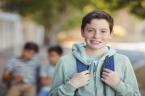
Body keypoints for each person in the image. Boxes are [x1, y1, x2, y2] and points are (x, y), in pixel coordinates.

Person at [49, 10, 140, 96]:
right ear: (82, 32)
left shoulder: (123, 61)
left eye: (103, 31)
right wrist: (71, 85)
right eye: (90, 30)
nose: (96, 36)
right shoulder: (65, 62)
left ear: (110, 34)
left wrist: (118, 85)